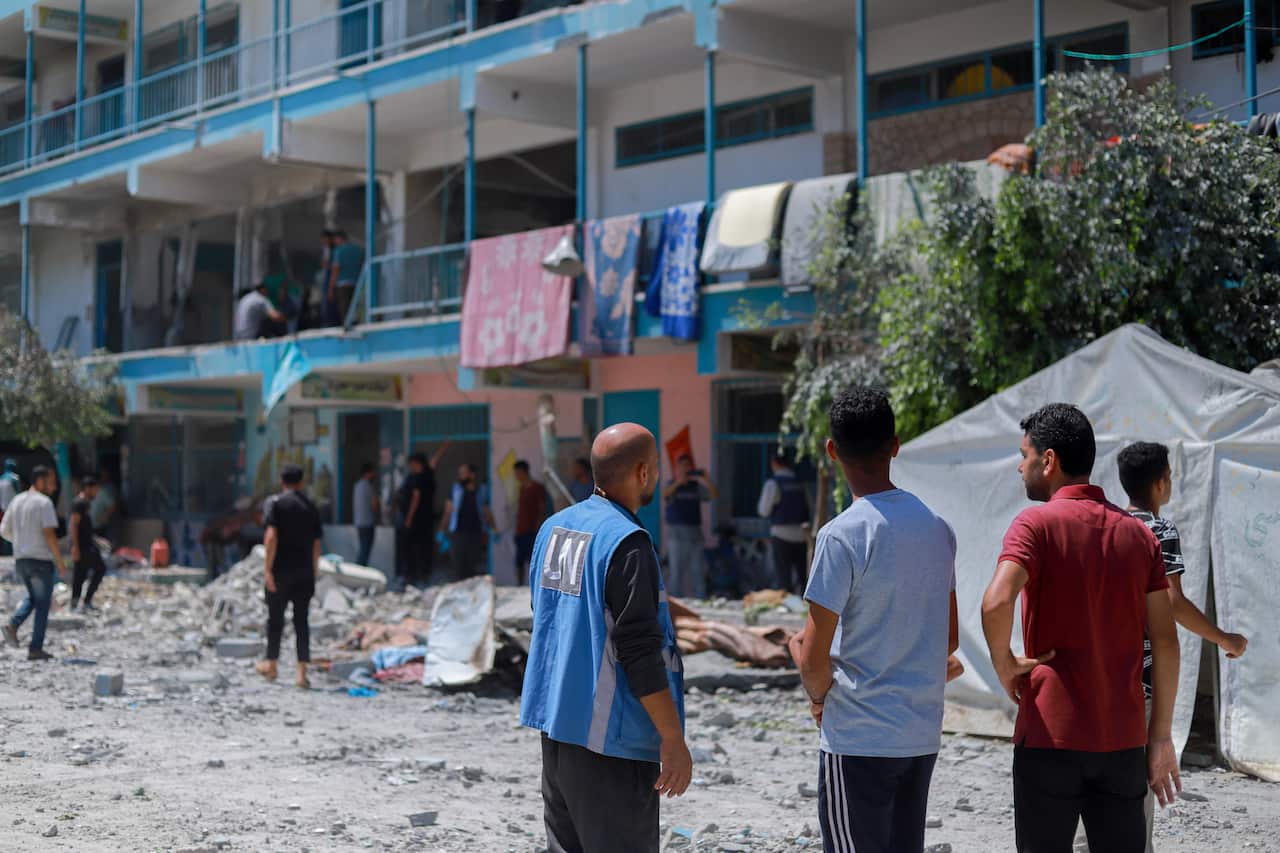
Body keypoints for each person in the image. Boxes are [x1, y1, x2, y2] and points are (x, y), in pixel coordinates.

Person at [981, 404, 1181, 853]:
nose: (1020, 465)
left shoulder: (1034, 525)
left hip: (1051, 734)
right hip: (1123, 739)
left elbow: (996, 602)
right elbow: (1166, 642)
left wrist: (1006, 665)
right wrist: (1162, 735)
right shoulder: (1138, 536)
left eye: (1024, 455)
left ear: (1048, 461)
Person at [786, 388, 958, 853]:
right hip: (921, 734)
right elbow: (949, 637)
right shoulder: (938, 528)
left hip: (858, 738)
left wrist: (819, 701)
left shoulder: (840, 535)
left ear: (832, 451)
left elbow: (812, 659)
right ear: (896, 445)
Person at [1067, 441, 1251, 853]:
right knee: (1135, 799)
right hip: (1142, 680)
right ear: (1162, 482)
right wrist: (1224, 638)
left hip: (1098, 676)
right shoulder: (1158, 531)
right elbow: (1172, 601)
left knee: (1089, 795)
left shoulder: (1105, 526)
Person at [520, 422, 692, 852]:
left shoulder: (554, 529)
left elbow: (548, 615)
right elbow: (638, 651)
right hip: (611, 743)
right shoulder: (628, 542)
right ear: (644, 473)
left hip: (557, 731)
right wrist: (672, 738)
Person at [256, 465, 323, 689]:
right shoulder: (311, 507)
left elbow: (271, 536)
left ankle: (272, 664)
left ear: (282, 481)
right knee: (301, 621)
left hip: (280, 571)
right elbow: (316, 544)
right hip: (304, 571)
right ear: (301, 482)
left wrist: (267, 569)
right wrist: (313, 572)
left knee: (275, 619)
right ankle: (301, 673)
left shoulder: (275, 504)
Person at [1, 466, 67, 661]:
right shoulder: (44, 503)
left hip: (21, 560)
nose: (54, 487)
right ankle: (35, 648)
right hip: (40, 561)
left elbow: (4, 529)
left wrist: (21, 543)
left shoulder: (17, 500)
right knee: (42, 604)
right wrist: (60, 561)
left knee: (35, 597)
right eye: (51, 481)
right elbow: (49, 533)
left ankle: (13, 624)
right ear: (40, 481)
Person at [661, 455, 718, 599]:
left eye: (688, 466)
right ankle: (676, 605)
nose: (686, 469)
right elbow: (664, 495)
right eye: (683, 466)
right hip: (677, 536)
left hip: (695, 535)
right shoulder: (672, 484)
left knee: (698, 571)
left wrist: (706, 479)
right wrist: (678, 483)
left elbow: (714, 495)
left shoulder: (696, 486)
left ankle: (700, 601)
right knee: (676, 573)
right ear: (677, 468)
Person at [757, 452, 812, 593]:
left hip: (781, 533)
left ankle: (788, 602)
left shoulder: (773, 483)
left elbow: (763, 511)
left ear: (774, 463)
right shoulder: (799, 482)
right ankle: (805, 604)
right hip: (801, 533)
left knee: (784, 574)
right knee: (802, 574)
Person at [397, 446, 447, 588]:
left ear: (416, 463)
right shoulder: (425, 474)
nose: (410, 466)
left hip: (416, 521)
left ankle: (413, 576)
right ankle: (419, 576)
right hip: (425, 520)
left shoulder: (420, 478)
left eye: (411, 463)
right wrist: (443, 448)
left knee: (414, 549)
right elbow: (434, 461)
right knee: (421, 548)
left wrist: (408, 518)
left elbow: (416, 498)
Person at [440, 463, 496, 580]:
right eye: (460, 473)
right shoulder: (455, 489)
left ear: (472, 475)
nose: (461, 476)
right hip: (458, 533)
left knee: (472, 565)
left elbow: (486, 511)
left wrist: (494, 528)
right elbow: (448, 510)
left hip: (475, 533)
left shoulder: (481, 490)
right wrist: (441, 530)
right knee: (458, 566)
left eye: (463, 473)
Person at [69, 476, 106, 612]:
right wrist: (75, 546)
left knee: (81, 573)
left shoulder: (85, 503)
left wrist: (97, 540)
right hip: (83, 546)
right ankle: (85, 602)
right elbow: (73, 525)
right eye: (95, 490)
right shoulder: (79, 503)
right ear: (88, 488)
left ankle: (76, 604)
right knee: (100, 569)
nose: (96, 493)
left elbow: (84, 527)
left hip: (86, 544)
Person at [514, 460, 551, 585]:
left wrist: (538, 528)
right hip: (520, 530)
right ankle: (519, 585)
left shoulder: (537, 488)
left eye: (518, 473)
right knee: (519, 560)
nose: (516, 476)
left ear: (524, 472)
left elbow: (542, 509)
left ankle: (534, 585)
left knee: (533, 560)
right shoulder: (521, 489)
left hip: (532, 531)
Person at [328, 229, 366, 326]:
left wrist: (331, 288)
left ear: (338, 239)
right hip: (357, 283)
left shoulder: (339, 251)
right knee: (356, 306)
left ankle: (347, 326)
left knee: (345, 308)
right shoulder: (358, 250)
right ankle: (357, 323)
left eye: (335, 240)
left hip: (343, 284)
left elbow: (335, 270)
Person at [352, 462, 380, 567]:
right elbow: (374, 505)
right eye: (373, 472)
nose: (374, 474)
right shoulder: (368, 486)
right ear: (368, 473)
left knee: (363, 548)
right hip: (367, 522)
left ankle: (360, 570)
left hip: (359, 522)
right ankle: (360, 572)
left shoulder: (357, 485)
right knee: (365, 550)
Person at [0, 458, 19, 558]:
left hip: (2, 509)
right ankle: (12, 550)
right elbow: (19, 493)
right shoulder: (15, 478)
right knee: (14, 529)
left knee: (3, 529)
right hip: (13, 508)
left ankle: (4, 551)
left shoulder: (1, 479)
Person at [90, 468, 118, 536]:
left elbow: (113, 505)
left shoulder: (103, 492)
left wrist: (105, 516)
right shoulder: (85, 493)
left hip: (99, 526)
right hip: (88, 526)